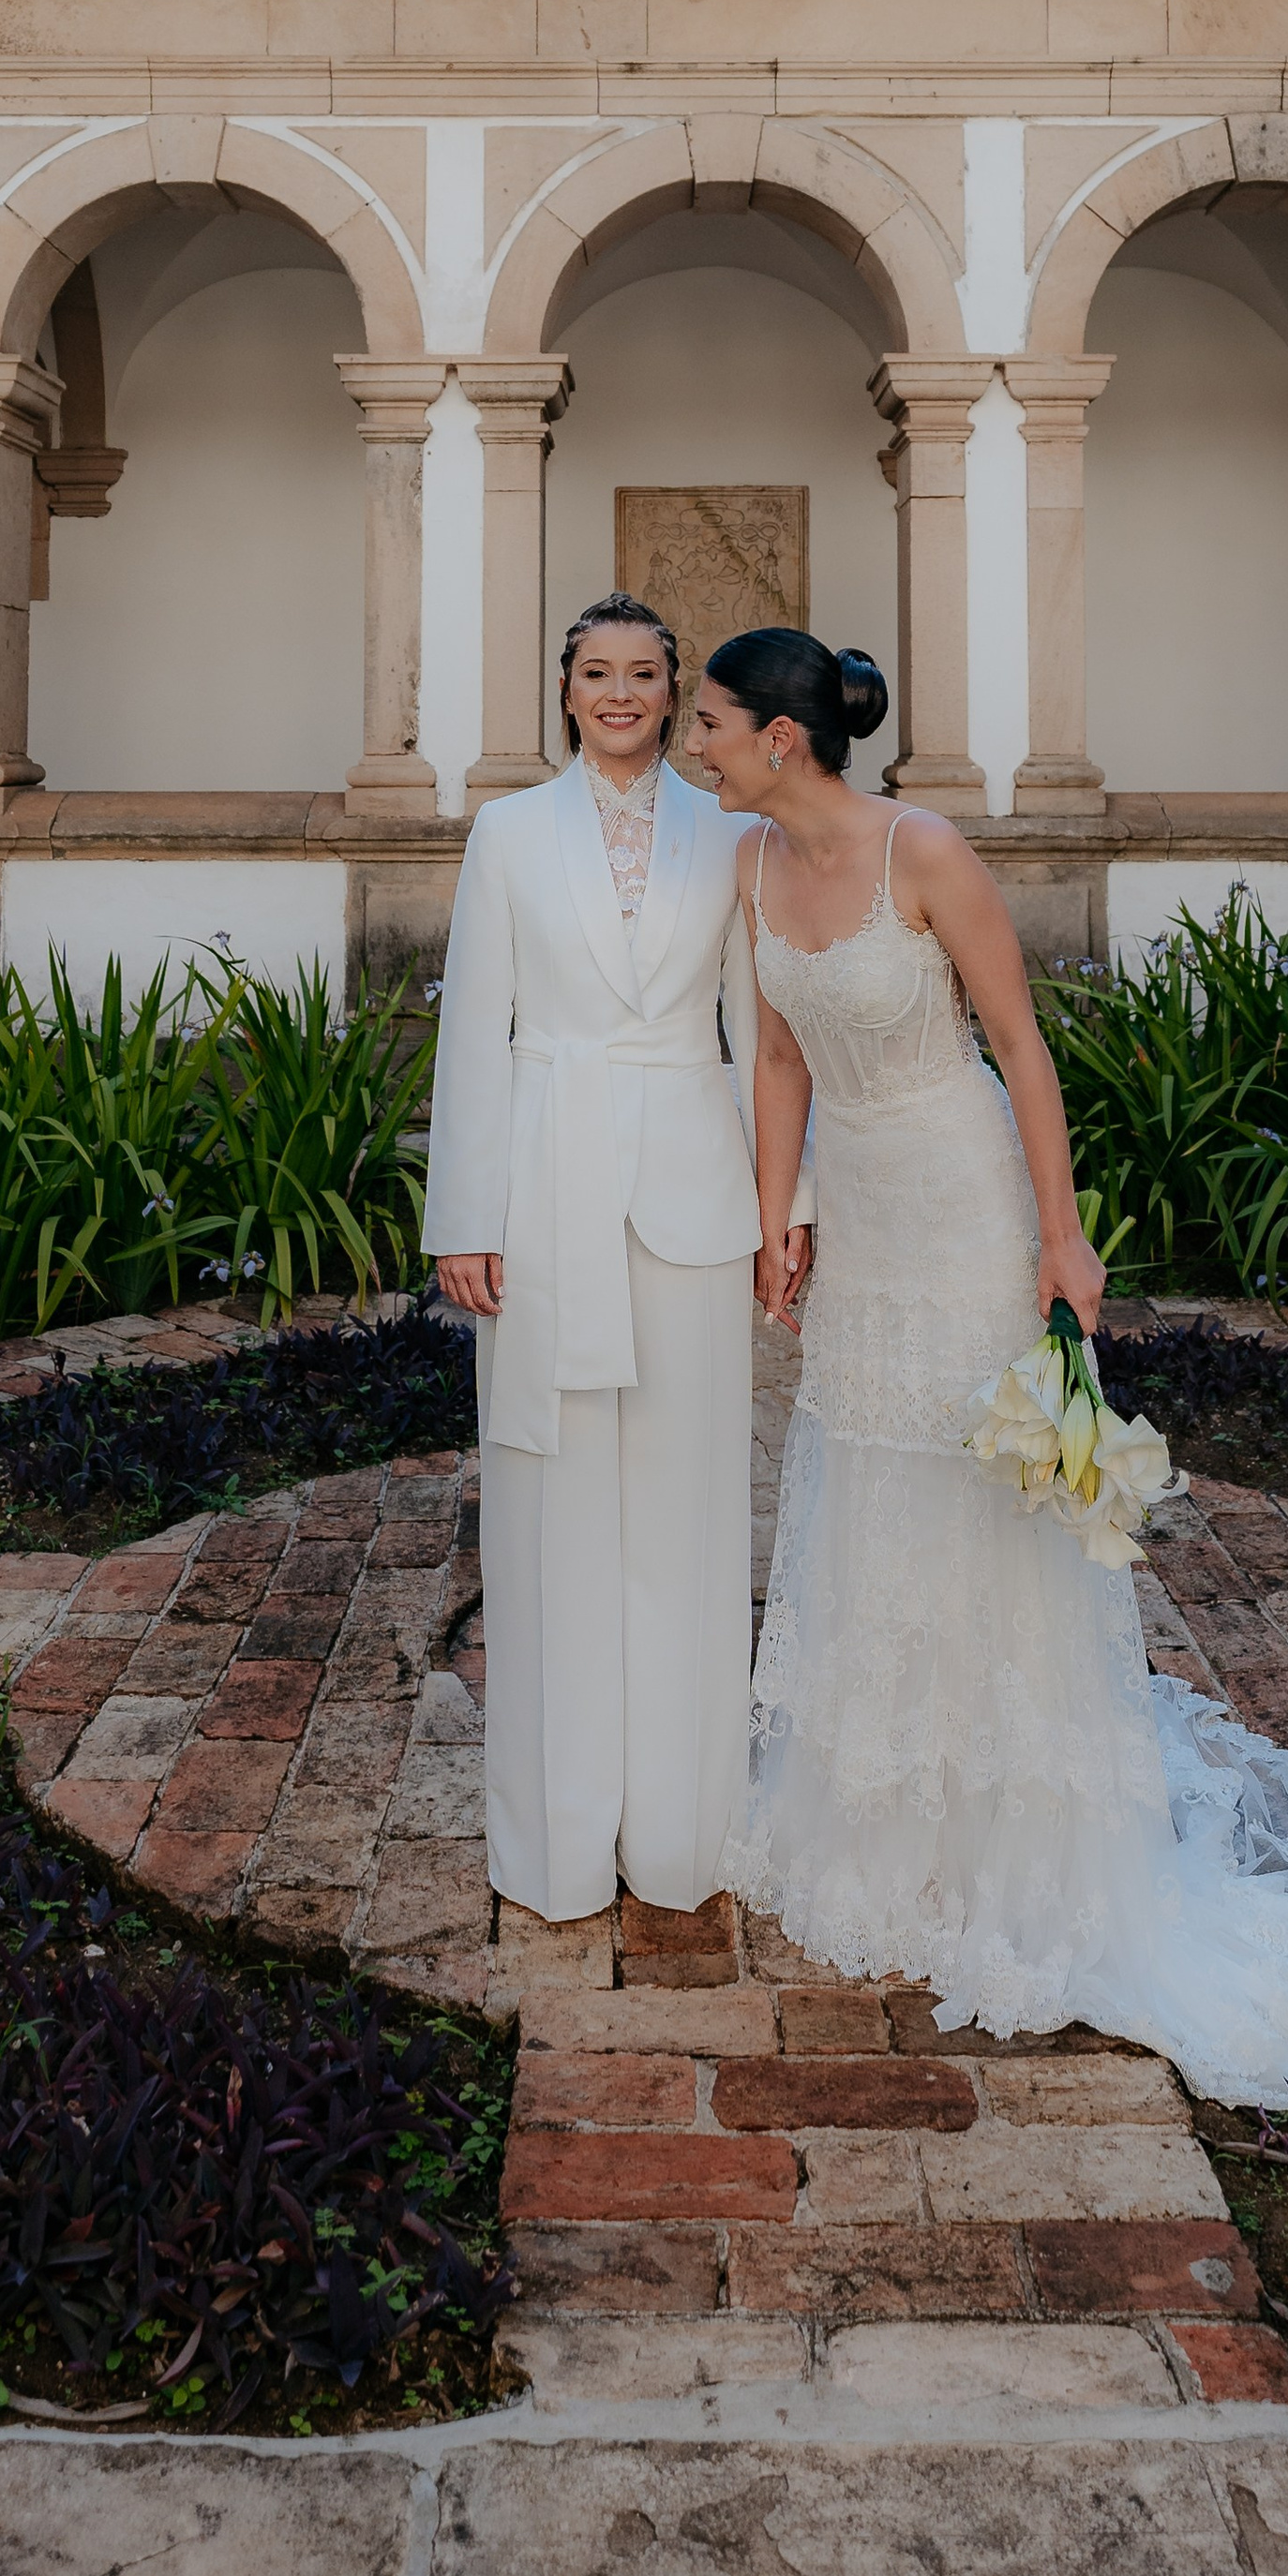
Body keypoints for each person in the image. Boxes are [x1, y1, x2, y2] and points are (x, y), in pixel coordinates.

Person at [695, 626, 1288, 2145]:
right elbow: (777, 1060)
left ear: (783, 739)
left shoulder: (929, 852)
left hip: (968, 1203)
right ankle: (890, 1818)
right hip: (862, 1205)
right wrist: (778, 1218)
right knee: (872, 1479)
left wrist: (1062, 1234)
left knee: (988, 1489)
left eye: (712, 723)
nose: (696, 745)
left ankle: (1015, 1835)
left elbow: (1024, 1049)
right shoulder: (753, 870)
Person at [423, 594, 807, 1926]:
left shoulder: (735, 834)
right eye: (600, 673)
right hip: (545, 1188)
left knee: (693, 1510)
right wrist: (465, 1214)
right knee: (553, 1513)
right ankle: (557, 1843)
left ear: (675, 690)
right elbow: (475, 1026)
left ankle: (686, 1834)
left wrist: (787, 1205)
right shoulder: (508, 831)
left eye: (648, 675)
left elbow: (766, 1034)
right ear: (568, 688)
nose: (625, 694)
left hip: (697, 1199)